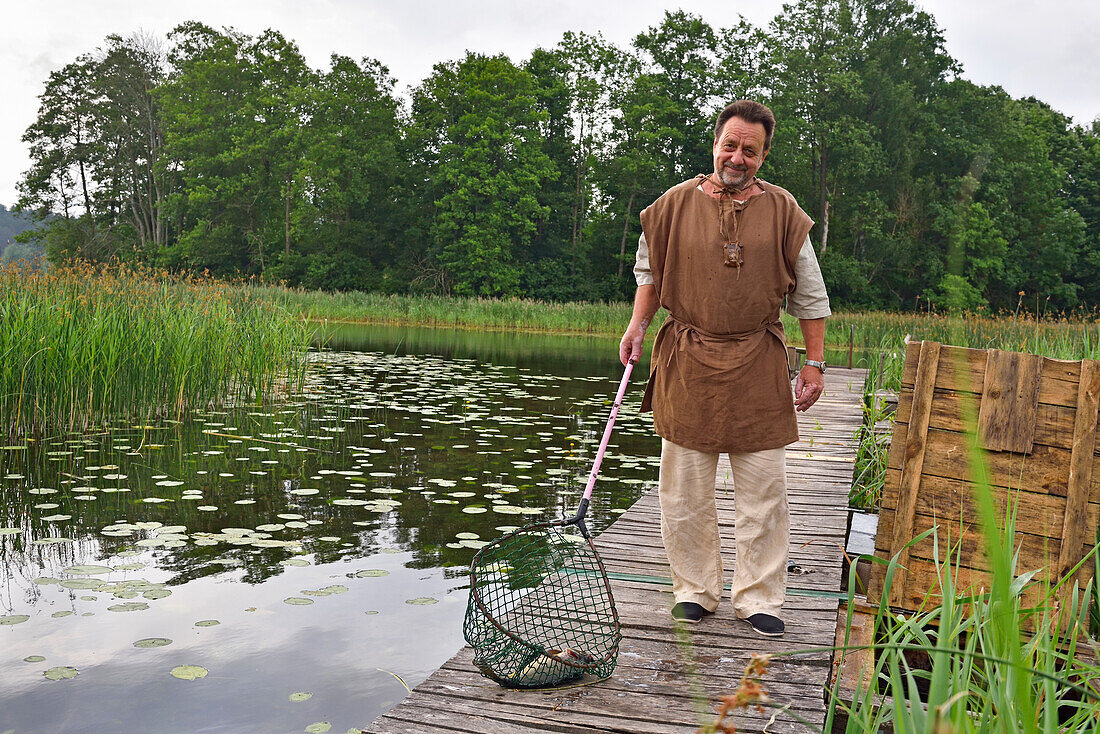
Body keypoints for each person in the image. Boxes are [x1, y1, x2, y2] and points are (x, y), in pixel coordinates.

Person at [619, 99, 830, 637]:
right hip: (687, 359)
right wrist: (637, 327)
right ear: (716, 144)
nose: (738, 157)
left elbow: (810, 294)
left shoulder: (784, 211)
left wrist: (814, 363)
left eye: (750, 150)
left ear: (763, 156)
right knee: (684, 491)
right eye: (730, 145)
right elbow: (649, 276)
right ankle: (695, 591)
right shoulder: (670, 206)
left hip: (758, 361)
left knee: (764, 492)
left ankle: (759, 598)